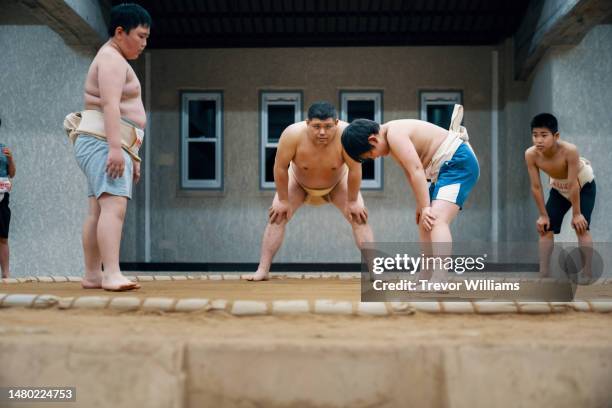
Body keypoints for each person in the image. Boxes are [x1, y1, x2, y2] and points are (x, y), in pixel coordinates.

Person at [63, 3, 151, 291]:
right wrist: (115, 149)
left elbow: (121, 113)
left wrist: (130, 154)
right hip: (104, 142)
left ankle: (92, 274)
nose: (144, 43)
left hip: (105, 141)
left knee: (99, 211)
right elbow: (110, 104)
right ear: (119, 32)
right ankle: (111, 273)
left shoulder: (112, 58)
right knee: (113, 208)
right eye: (140, 36)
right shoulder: (112, 60)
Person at [341, 105, 479, 281]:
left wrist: (427, 207)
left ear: (373, 140)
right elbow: (411, 172)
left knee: (436, 219)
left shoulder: (395, 134)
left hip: (458, 162)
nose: (374, 158)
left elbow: (416, 170)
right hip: (442, 169)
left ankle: (440, 279)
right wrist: (422, 206)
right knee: (425, 222)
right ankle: (425, 277)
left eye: (370, 154)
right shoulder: (391, 139)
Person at [245, 102, 374, 281]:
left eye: (328, 126)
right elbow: (280, 167)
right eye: (316, 127)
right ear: (307, 123)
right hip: (298, 183)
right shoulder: (292, 135)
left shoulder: (347, 135)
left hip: (338, 183)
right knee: (277, 215)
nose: (322, 132)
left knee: (359, 216)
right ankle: (262, 269)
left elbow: (355, 168)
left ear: (336, 123)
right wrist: (283, 200)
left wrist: (352, 201)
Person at [525, 113, 595, 279]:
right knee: (545, 228)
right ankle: (544, 273)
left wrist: (577, 214)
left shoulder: (570, 151)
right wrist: (543, 215)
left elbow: (573, 184)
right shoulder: (531, 154)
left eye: (544, 135)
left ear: (556, 136)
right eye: (535, 135)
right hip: (558, 188)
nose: (538, 140)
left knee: (581, 226)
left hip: (583, 185)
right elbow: (536, 186)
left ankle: (588, 273)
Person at [0, 118, 16, 279]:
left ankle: (6, 273)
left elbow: (12, 173)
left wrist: (10, 159)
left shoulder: (4, 149)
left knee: (3, 237)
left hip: (3, 196)